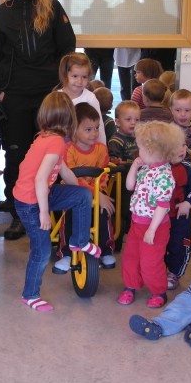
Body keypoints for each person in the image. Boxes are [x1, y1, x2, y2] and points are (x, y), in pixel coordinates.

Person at [0, 0, 76, 240]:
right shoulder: (3, 12)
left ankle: (49, 209)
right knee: (18, 154)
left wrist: (61, 85)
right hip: (15, 95)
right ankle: (18, 212)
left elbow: (68, 47)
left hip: (48, 95)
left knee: (50, 154)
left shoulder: (52, 7)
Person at [13, 92, 100, 312]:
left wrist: (81, 190)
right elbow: (40, 179)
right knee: (42, 251)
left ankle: (79, 242)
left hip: (43, 193)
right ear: (70, 120)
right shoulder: (55, 142)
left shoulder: (47, 137)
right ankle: (30, 295)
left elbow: (64, 170)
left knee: (82, 196)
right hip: (30, 203)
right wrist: (44, 213)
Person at [117, 121, 185, 308]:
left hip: (155, 228)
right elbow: (129, 186)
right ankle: (130, 286)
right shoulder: (146, 169)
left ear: (154, 151)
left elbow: (163, 206)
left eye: (140, 148)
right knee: (131, 257)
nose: (138, 152)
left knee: (150, 262)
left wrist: (152, 229)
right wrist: (134, 168)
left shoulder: (164, 176)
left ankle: (159, 291)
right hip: (136, 224)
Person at [52, 103, 116, 274]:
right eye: (88, 129)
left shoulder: (101, 149)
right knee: (70, 216)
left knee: (104, 212)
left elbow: (103, 173)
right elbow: (72, 179)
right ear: (73, 130)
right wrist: (95, 193)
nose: (94, 133)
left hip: (96, 192)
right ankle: (66, 253)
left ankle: (106, 250)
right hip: (73, 193)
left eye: (96, 128)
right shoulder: (68, 150)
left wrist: (99, 193)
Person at [164, 142, 191, 290]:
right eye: (176, 146)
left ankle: (174, 273)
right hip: (160, 218)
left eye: (184, 145)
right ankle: (158, 270)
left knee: (178, 246)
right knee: (159, 245)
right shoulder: (158, 167)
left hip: (180, 218)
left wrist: (188, 202)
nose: (182, 150)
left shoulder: (188, 168)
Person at [107, 100, 141, 239]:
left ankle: (133, 231)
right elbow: (115, 161)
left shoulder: (138, 137)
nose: (133, 123)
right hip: (122, 180)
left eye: (137, 120)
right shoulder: (116, 140)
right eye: (128, 119)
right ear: (118, 122)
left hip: (137, 178)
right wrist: (123, 162)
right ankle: (118, 235)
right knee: (123, 208)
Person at [57, 52, 105, 144]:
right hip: (62, 146)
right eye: (75, 76)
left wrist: (102, 148)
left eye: (84, 77)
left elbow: (99, 126)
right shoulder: (57, 97)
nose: (79, 81)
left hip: (84, 147)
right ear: (65, 75)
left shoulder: (90, 98)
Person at [81, 0, 115, 88]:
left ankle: (106, 98)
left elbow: (113, 28)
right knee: (88, 80)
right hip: (91, 50)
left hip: (108, 50)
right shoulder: (87, 12)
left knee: (106, 81)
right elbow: (84, 30)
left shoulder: (109, 12)